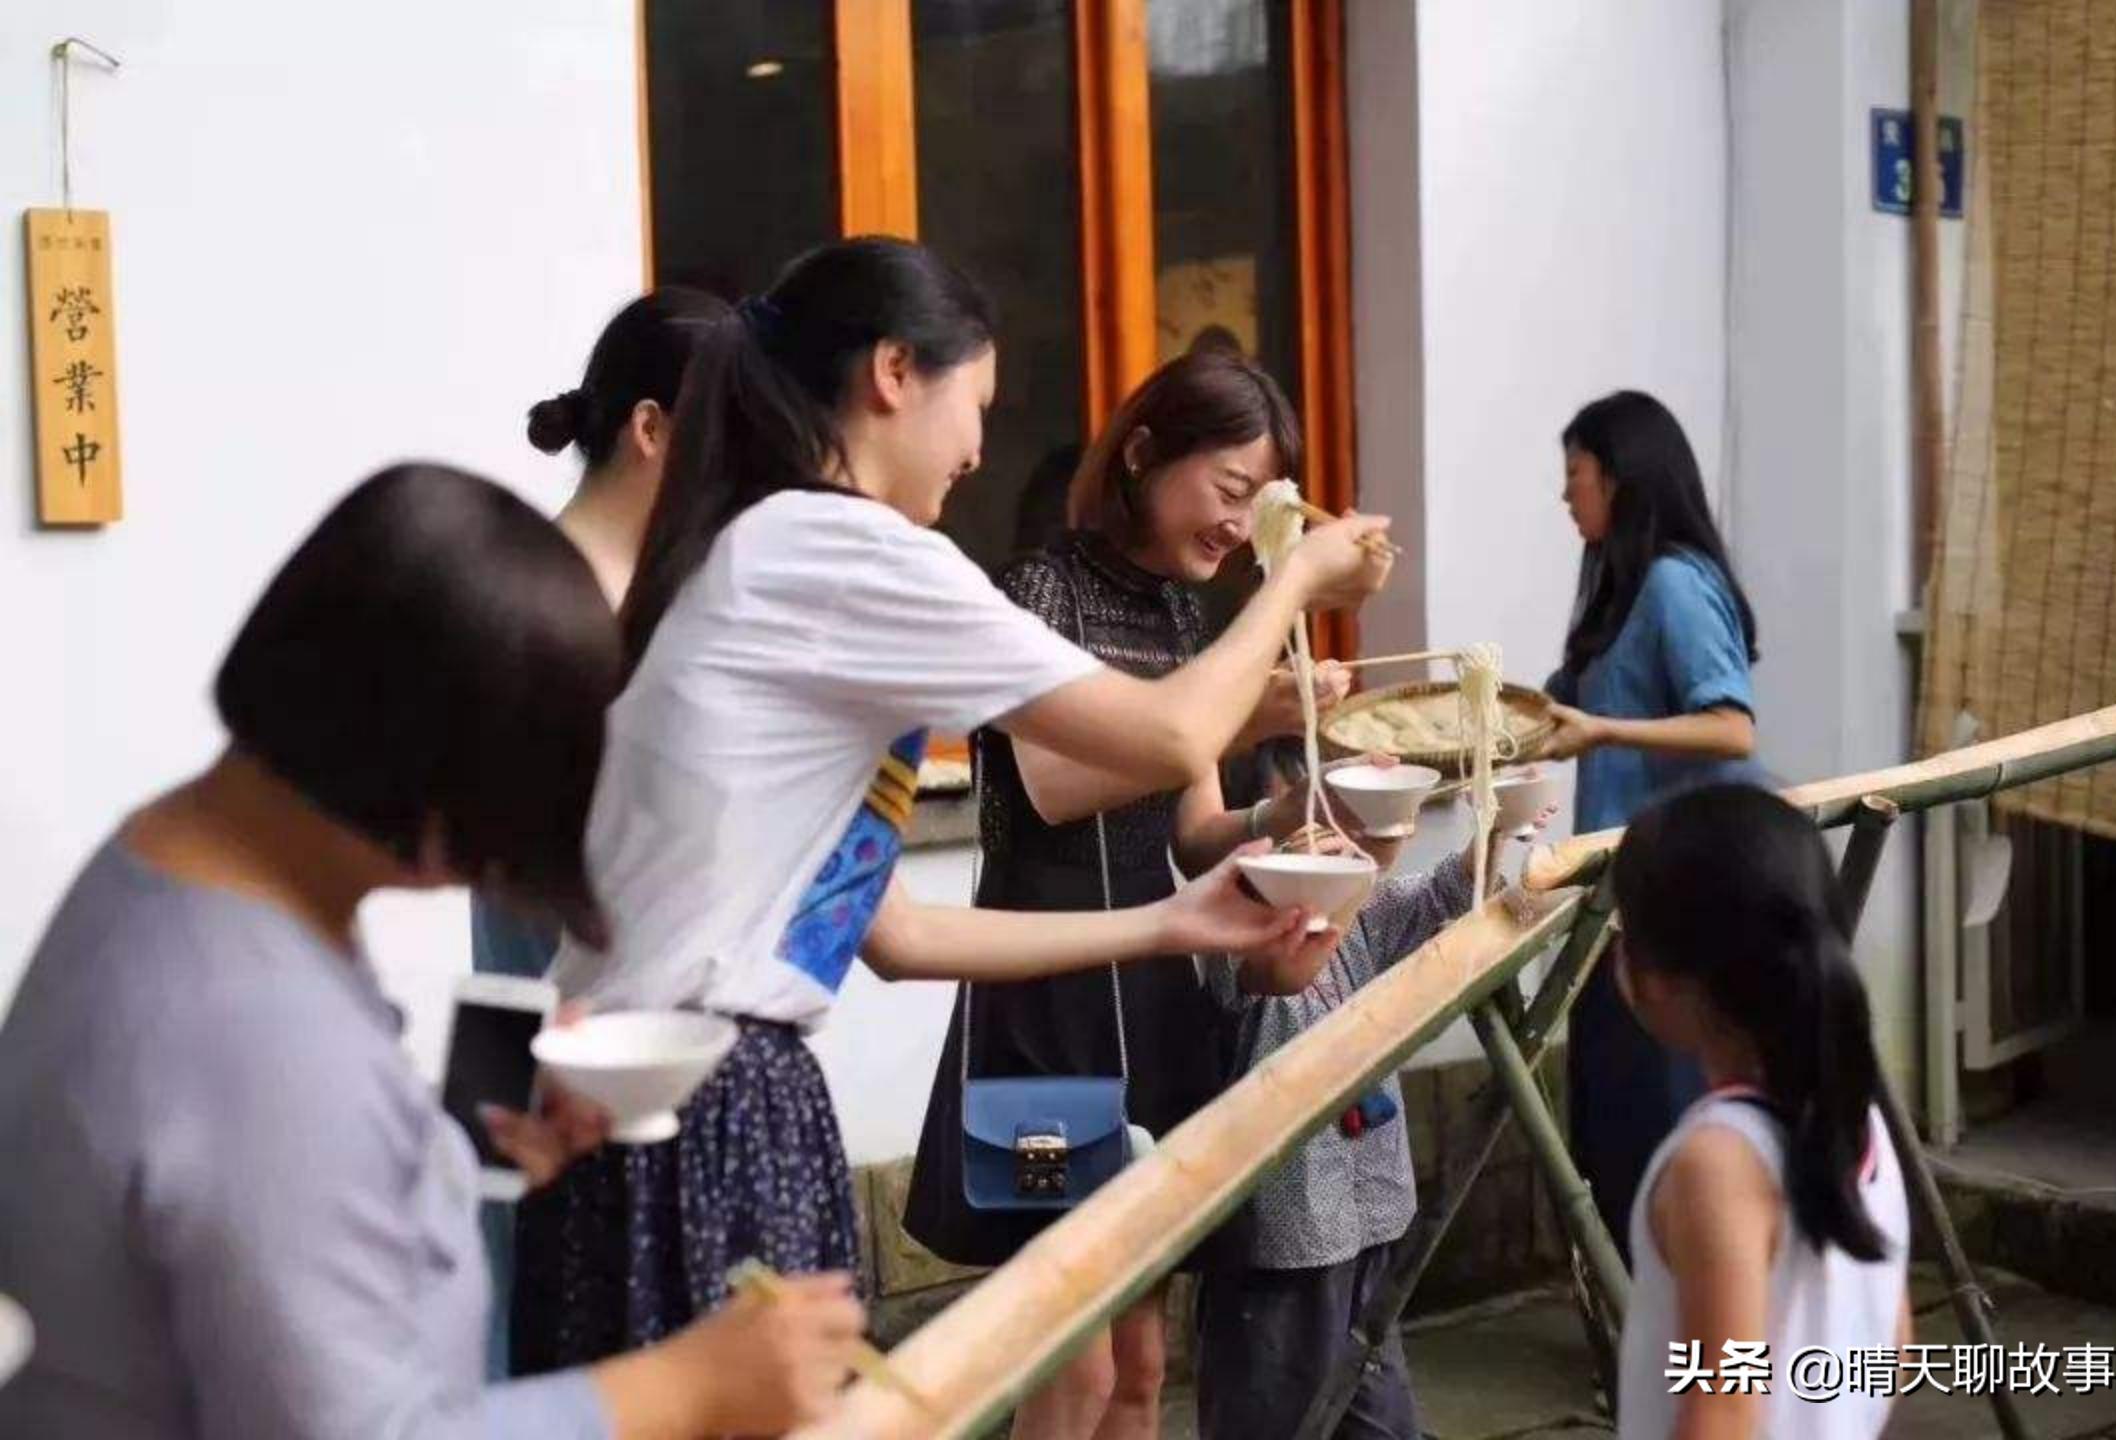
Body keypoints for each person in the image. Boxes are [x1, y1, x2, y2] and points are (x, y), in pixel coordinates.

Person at [513, 237, 1393, 1375]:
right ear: (892, 373)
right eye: (976, 402)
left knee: (1118, 1358)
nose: (981, 448)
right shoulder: (846, 549)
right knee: (1073, 1349)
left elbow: (901, 934)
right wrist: (1294, 580)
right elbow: (1171, 734)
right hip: (711, 1096)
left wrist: (1181, 921)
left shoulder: (763, 546)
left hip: (652, 1091)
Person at [0, 465, 866, 1439]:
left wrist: (467, 1142)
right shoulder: (257, 1037)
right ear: (432, 775)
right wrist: (685, 1388)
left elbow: (267, 1210)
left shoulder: (172, 862)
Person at [903, 347, 1357, 1440]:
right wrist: (1243, 718)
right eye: (1230, 493)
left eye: (1258, 507)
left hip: (1149, 1006)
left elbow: (1198, 829)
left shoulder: (1183, 619)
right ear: (1146, 455)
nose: (1240, 530)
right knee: (1074, 1355)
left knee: (1145, 1362)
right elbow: (1055, 789)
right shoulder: (1038, 588)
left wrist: (1298, 805)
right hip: (1043, 1016)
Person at [471, 286, 728, 1379]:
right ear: (651, 430)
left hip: (589, 1040)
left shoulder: (661, 598)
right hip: (566, 1046)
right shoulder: (543, 599)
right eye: (734, 440)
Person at [1195, 794, 1558, 1440]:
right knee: (1273, 1416)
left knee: (1381, 1416)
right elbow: (1249, 973)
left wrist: (1499, 826)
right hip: (1288, 1245)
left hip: (1371, 1221)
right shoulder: (1236, 939)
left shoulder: (1365, 916)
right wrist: (1291, 886)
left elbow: (1447, 891)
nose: (1344, 845)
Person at [1609, 784, 1911, 1439]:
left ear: (1653, 975)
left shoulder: (1718, 1165)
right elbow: (1893, 1347)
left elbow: (1722, 1415)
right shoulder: (1859, 1120)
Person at [1540, 389, 1760, 1257]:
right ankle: (1634, 1338)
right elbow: (1554, 709)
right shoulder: (1618, 589)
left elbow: (1731, 726)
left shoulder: (1674, 583)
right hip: (1611, 904)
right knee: (1610, 1125)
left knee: (1661, 1119)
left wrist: (1603, 730)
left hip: (1676, 903)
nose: (1566, 497)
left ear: (1620, 477)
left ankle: (1688, 1341)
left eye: (1576, 476)